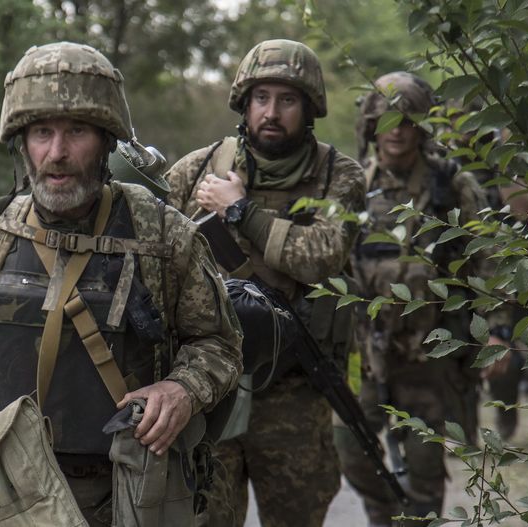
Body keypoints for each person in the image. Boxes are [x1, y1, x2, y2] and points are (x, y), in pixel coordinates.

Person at [0, 41, 242, 527]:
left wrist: (182, 389)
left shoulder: (162, 234)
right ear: (21, 142)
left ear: (107, 139)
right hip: (8, 491)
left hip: (127, 490)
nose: (58, 153)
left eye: (77, 132)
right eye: (42, 132)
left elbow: (220, 344)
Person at [165, 39, 366, 527]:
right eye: (262, 98)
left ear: (310, 107)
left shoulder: (338, 177)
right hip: (213, 383)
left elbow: (320, 257)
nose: (271, 112)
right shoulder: (198, 170)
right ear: (244, 102)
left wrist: (240, 211)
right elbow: (152, 251)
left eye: (287, 100)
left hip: (295, 392)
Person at [337, 71, 494, 526]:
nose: (396, 131)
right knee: (352, 453)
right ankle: (385, 514)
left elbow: (488, 259)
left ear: (422, 126)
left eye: (406, 120)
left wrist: (495, 328)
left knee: (425, 475)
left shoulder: (451, 186)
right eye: (385, 120)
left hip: (430, 357)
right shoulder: (354, 185)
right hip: (367, 353)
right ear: (370, 125)